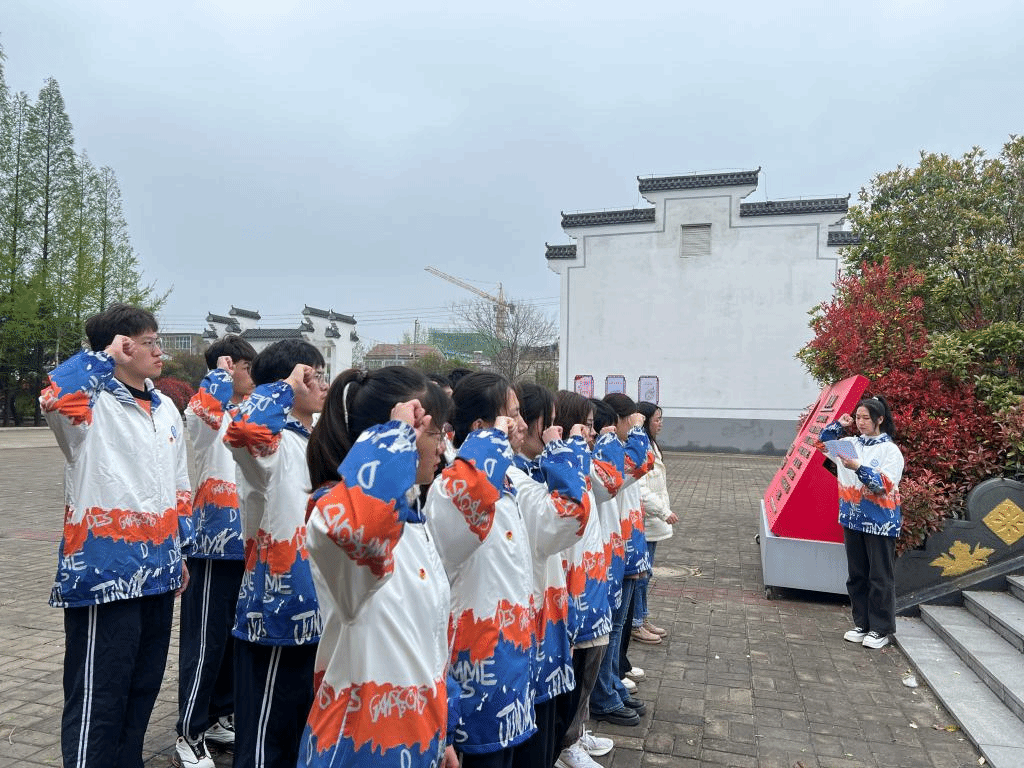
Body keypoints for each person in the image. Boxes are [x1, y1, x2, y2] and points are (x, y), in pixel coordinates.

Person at [40, 303, 193, 768]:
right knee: (98, 696)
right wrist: (103, 358)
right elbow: (56, 395)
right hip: (104, 576)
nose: (159, 351)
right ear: (120, 346)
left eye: (157, 341)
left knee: (141, 689)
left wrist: (179, 551)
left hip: (160, 574)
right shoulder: (88, 405)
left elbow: (179, 485)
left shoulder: (166, 407)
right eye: (148, 343)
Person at [298, 366, 459, 768]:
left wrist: (443, 733)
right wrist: (394, 438)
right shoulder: (333, 512)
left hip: (417, 738)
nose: (443, 448)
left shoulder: (412, 520)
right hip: (359, 747)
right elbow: (360, 530)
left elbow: (430, 643)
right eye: (435, 433)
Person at [426, 372, 588, 768]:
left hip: (511, 659)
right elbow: (563, 516)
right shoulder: (452, 487)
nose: (520, 425)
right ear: (480, 427)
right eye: (510, 416)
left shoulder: (509, 482)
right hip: (476, 668)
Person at [224, 339, 327, 768]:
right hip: (276, 611)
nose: (321, 384)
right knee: (267, 738)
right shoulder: (270, 445)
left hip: (319, 606)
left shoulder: (314, 441)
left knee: (301, 731)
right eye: (312, 376)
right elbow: (244, 429)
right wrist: (285, 386)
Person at [174, 335, 256, 768]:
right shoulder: (205, 414)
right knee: (204, 643)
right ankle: (189, 732)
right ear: (225, 367)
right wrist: (218, 377)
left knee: (232, 639)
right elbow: (205, 411)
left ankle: (221, 715)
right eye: (244, 366)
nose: (252, 374)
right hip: (212, 547)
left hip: (248, 546)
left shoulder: (251, 414)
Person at [510, 383, 590, 768]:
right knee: (535, 738)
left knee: (549, 725)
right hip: (527, 623)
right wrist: (561, 453)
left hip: (551, 606)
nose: (553, 432)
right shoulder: (516, 480)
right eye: (550, 422)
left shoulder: (533, 472)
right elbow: (571, 513)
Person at [553, 391, 616, 768]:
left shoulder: (583, 463)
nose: (593, 433)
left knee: (592, 663)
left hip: (593, 580)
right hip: (573, 590)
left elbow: (613, 481)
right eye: (587, 425)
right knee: (578, 670)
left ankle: (578, 730)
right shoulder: (560, 470)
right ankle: (567, 741)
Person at [819, 396, 905, 650]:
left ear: (880, 419)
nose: (861, 422)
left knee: (880, 577)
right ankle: (862, 624)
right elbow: (822, 443)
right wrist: (839, 424)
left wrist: (857, 466)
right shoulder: (851, 444)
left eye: (866, 418)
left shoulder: (890, 451)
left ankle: (881, 629)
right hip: (852, 519)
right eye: (858, 417)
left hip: (880, 522)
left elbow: (882, 485)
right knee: (857, 576)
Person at [589, 396, 652, 728]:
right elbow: (640, 463)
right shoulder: (607, 455)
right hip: (609, 553)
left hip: (622, 548)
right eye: (630, 420)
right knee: (608, 631)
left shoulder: (616, 452)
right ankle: (604, 694)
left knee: (615, 629)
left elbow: (642, 462)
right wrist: (634, 434)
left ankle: (611, 683)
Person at [632, 401, 678, 641]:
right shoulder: (640, 448)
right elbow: (640, 489)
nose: (660, 424)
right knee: (641, 576)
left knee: (646, 575)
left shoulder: (651, 445)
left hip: (652, 523)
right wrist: (662, 511)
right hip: (646, 523)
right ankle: (636, 623)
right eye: (657, 419)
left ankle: (643, 618)